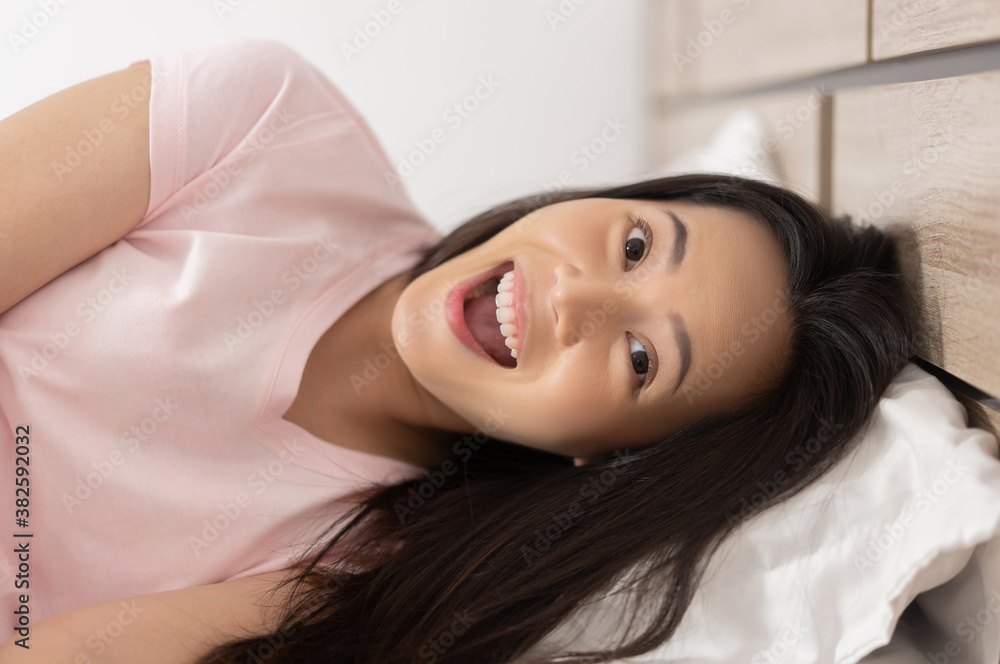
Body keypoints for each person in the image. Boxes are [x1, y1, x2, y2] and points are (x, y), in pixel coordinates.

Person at [0, 40, 917, 663]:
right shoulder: (267, 126)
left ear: (602, 458)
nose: (574, 297)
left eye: (641, 360)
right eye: (636, 246)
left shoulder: (366, 581)